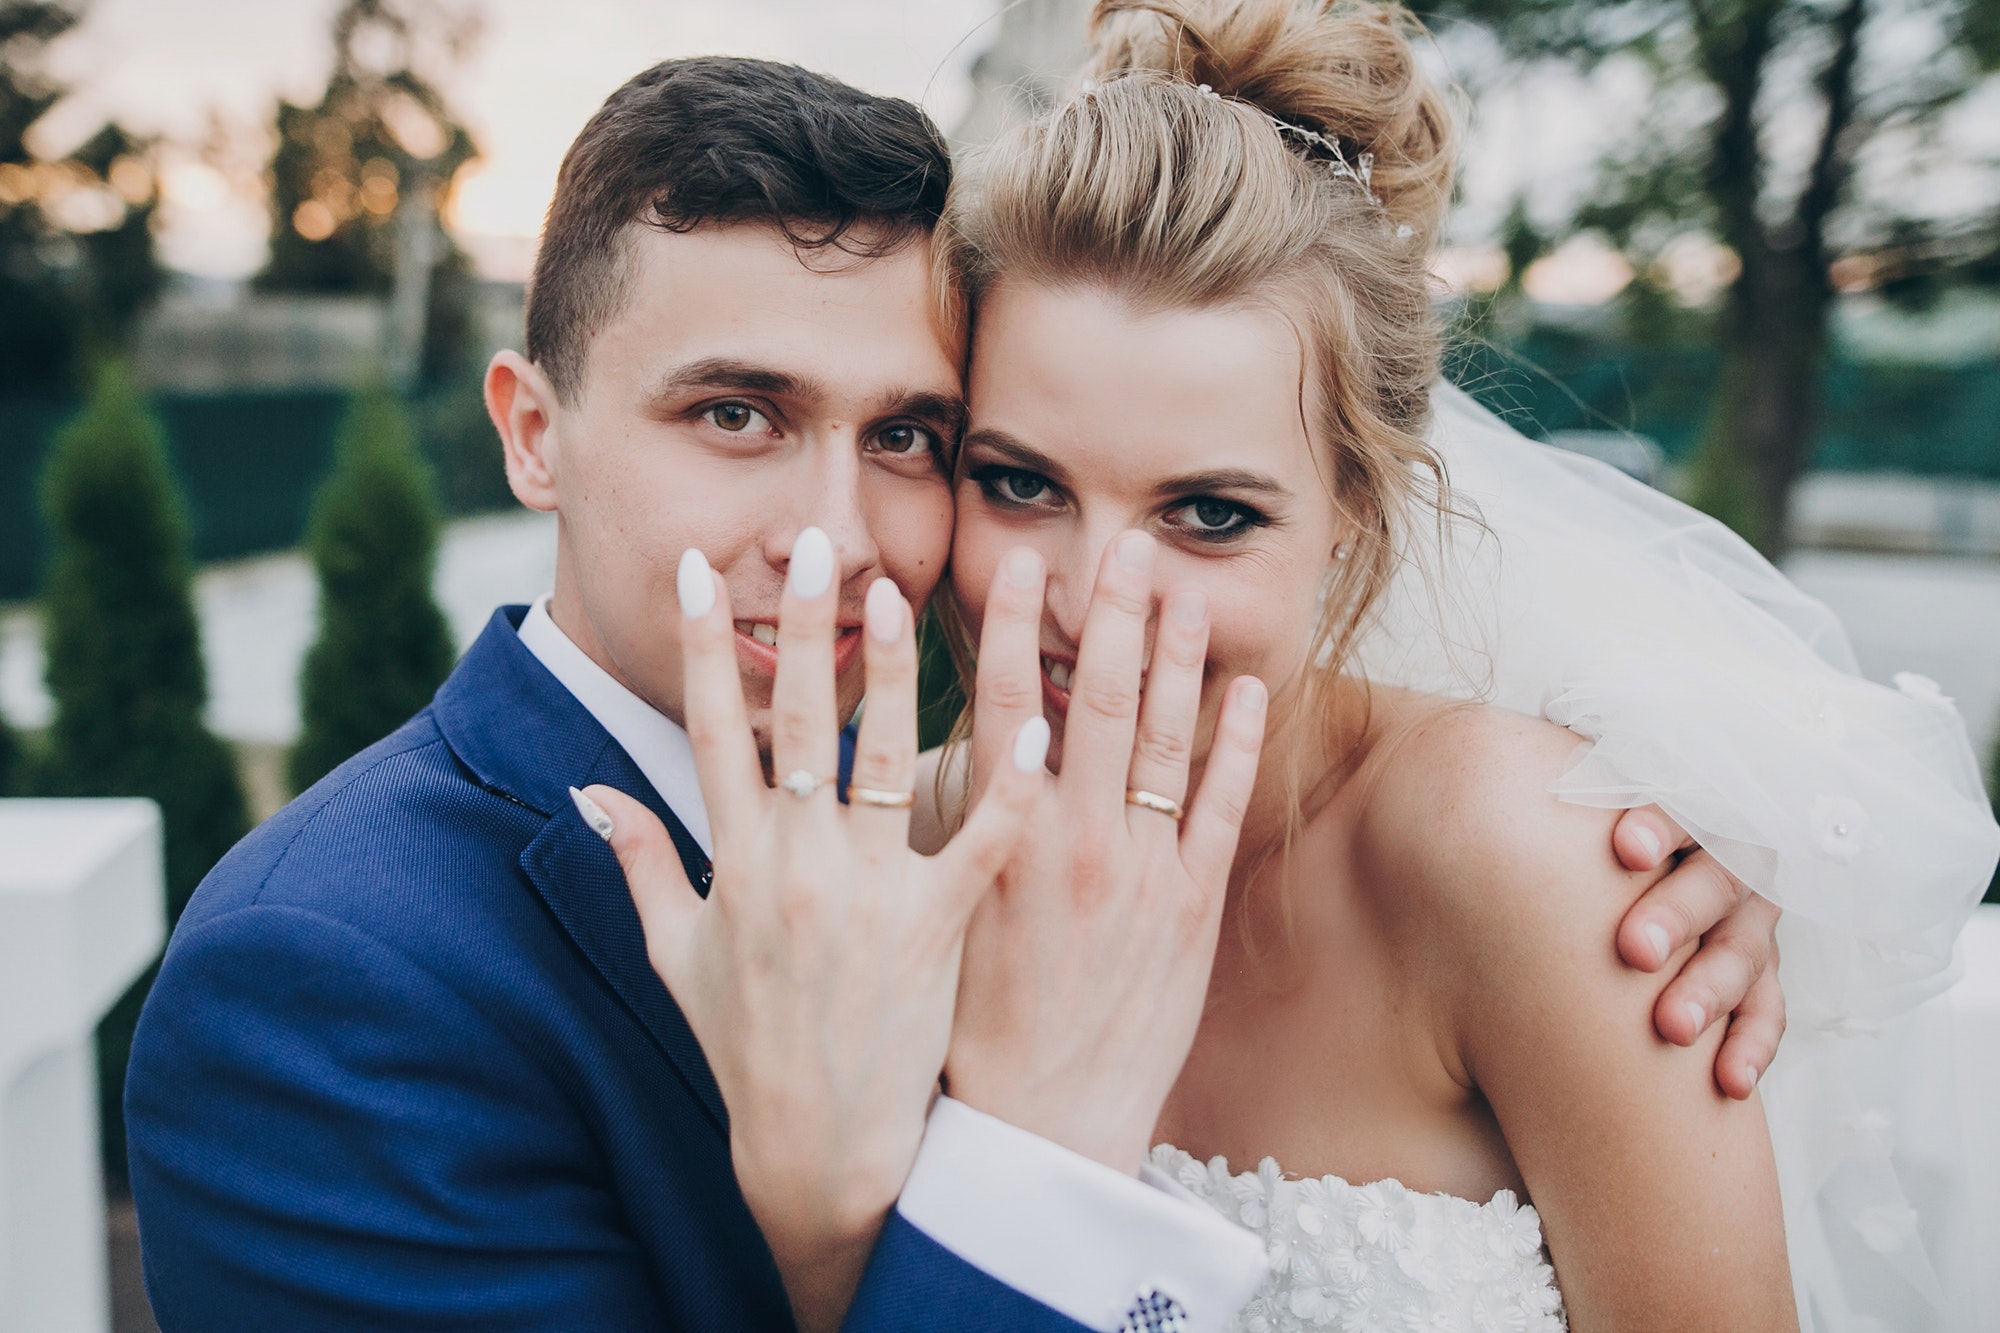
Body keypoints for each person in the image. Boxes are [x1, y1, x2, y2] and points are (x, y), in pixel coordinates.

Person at [126, 50, 1788, 1333]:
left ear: (1355, 514)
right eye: (737, 413)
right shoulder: (321, 980)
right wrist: (996, 1178)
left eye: (912, 439)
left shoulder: (1545, 869)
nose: (838, 536)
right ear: (533, 430)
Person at [804, 0, 1991, 1327]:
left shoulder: (1515, 859)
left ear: (1354, 509)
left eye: (1209, 514)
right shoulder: (888, 855)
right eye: (1021, 483)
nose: (1096, 603)